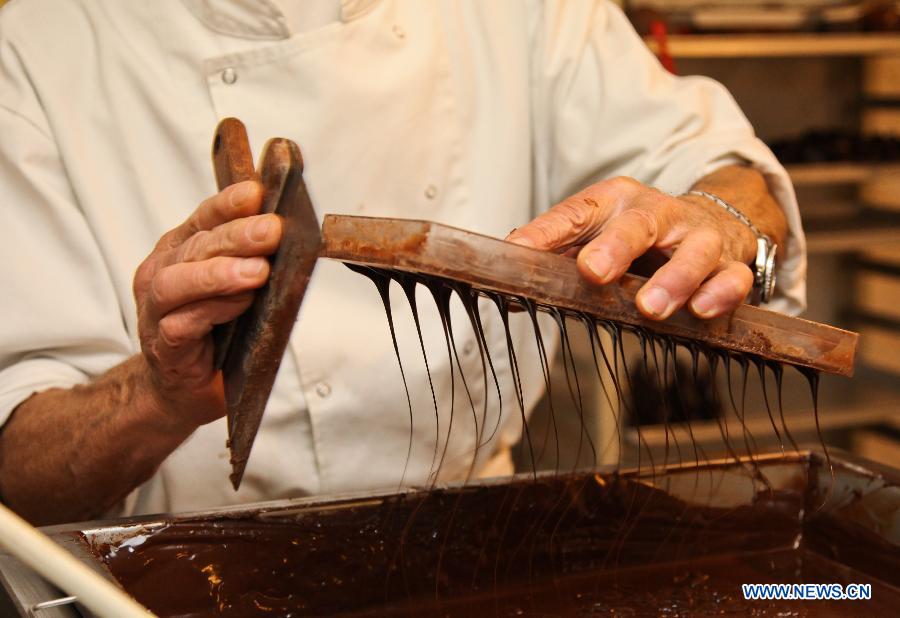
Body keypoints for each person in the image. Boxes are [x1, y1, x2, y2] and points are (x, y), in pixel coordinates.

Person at [0, 0, 804, 526]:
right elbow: (18, 472)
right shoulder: (36, 50)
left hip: (473, 543)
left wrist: (724, 218)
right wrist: (158, 395)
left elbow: (719, 163)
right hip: (162, 580)